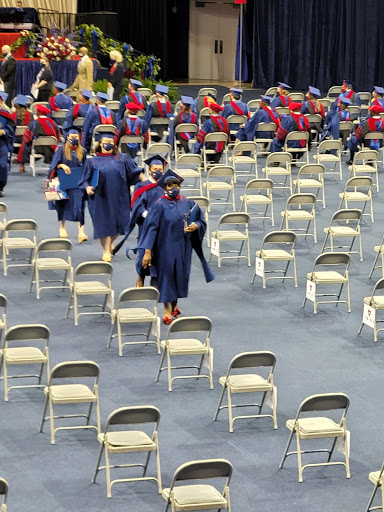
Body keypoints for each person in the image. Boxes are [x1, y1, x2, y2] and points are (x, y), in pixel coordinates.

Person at [139, 174, 214, 323]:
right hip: (164, 248)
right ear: (165, 188)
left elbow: (201, 220)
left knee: (179, 276)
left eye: (176, 185)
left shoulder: (188, 203)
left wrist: (196, 226)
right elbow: (151, 229)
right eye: (170, 185)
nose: (174, 188)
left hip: (182, 247)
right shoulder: (158, 205)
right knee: (166, 278)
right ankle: (167, 309)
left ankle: (175, 304)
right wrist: (147, 251)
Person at [78, 131, 143, 261]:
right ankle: (106, 250)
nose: (108, 144)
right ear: (100, 144)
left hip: (120, 196)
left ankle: (109, 243)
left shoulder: (123, 158)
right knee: (104, 225)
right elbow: (84, 180)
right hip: (100, 198)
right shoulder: (92, 161)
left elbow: (135, 173)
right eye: (105, 142)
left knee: (122, 224)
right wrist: (87, 188)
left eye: (111, 142)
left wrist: (147, 182)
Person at [114, 155, 168, 286]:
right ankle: (141, 276)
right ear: (149, 170)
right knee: (144, 252)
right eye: (155, 169)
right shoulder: (141, 185)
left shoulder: (166, 185)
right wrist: (146, 214)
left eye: (160, 169)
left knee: (161, 252)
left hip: (163, 224)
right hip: (146, 224)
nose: (158, 171)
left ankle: (157, 279)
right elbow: (137, 205)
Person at [48, 127, 88, 242]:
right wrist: (62, 166)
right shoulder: (61, 150)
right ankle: (62, 227)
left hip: (78, 182)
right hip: (64, 181)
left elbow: (86, 167)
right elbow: (53, 166)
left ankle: (81, 232)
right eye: (72, 137)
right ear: (68, 138)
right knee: (63, 205)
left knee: (80, 206)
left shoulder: (83, 151)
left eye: (76, 137)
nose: (74, 139)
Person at [17, 104, 60, 173]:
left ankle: (22, 165)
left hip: (37, 148)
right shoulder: (52, 122)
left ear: (38, 113)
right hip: (50, 148)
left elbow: (27, 138)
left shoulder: (34, 123)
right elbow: (58, 137)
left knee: (25, 143)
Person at [0, 106, 15, 197]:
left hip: (1, 143)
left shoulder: (4, 114)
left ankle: (0, 187)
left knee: (2, 165)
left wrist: (3, 131)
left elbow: (11, 128)